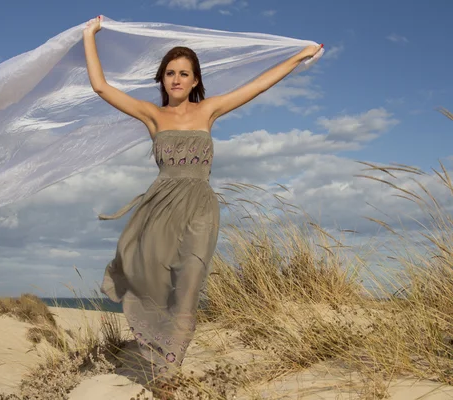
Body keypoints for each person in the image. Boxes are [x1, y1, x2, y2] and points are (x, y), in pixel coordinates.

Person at [83, 14, 322, 392]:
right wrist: (89, 35)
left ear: (195, 80)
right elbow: (100, 87)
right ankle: (156, 359)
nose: (176, 79)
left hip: (199, 208)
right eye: (170, 73)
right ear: (162, 79)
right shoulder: (152, 115)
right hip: (159, 208)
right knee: (154, 282)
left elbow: (257, 86)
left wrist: (298, 57)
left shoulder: (208, 110)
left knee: (189, 285)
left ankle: (168, 375)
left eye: (184, 73)